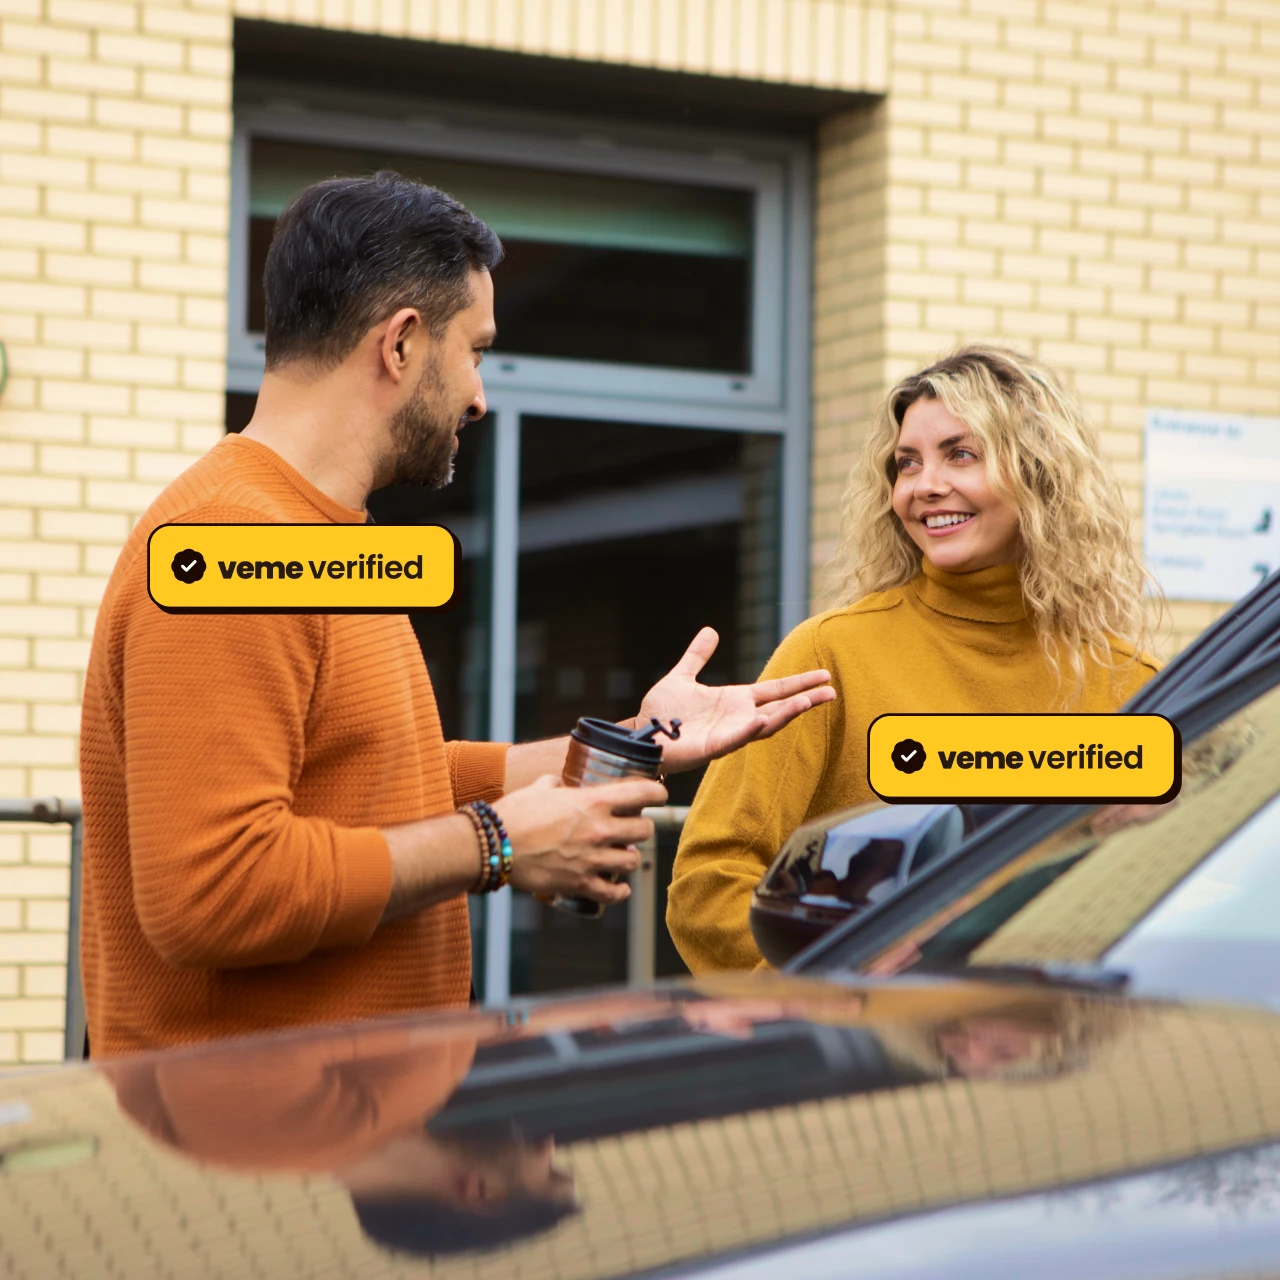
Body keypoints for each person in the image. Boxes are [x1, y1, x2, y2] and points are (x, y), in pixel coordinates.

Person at [79, 171, 835, 1057]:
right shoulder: (233, 540)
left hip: (333, 1140)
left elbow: (369, 775)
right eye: (475, 351)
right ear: (401, 344)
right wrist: (495, 846)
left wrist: (631, 741)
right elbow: (213, 892)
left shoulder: (320, 534)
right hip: (251, 1159)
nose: (480, 396)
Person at [667, 345, 1163, 972]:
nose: (925, 486)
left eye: (961, 454)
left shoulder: (1133, 686)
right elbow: (710, 881)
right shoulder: (831, 656)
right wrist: (830, 995)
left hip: (1064, 1052)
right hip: (871, 1056)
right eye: (907, 464)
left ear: (1038, 471)